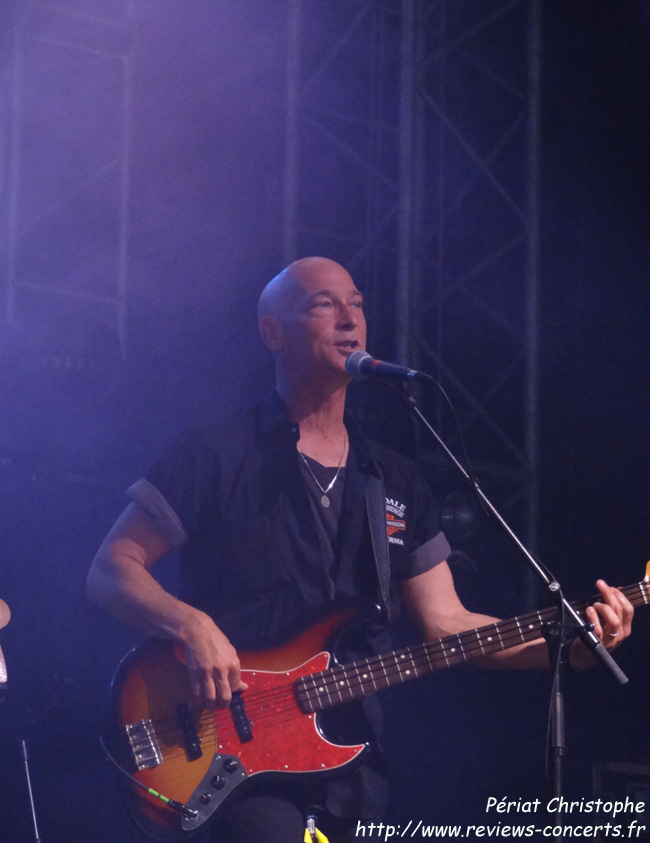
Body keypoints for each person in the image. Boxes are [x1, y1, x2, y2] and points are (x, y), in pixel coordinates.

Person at [87, 256, 634, 842]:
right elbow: (112, 568)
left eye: (358, 303)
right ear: (272, 331)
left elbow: (448, 625)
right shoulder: (217, 452)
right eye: (324, 305)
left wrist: (564, 646)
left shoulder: (392, 478)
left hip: (351, 766)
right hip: (230, 755)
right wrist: (192, 626)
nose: (350, 318)